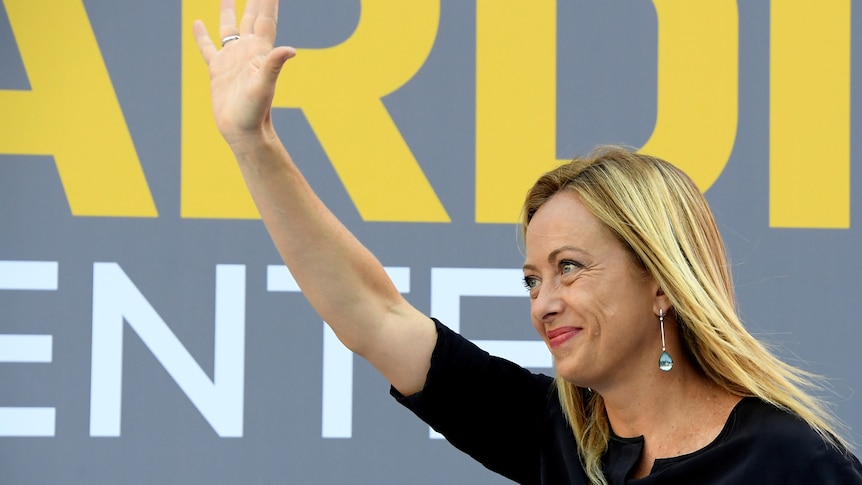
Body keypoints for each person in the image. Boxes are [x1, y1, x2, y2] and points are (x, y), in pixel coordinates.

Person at [192, 1, 862, 483]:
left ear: (661, 277)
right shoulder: (556, 437)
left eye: (569, 268)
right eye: (533, 279)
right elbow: (374, 314)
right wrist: (254, 143)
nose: (544, 302)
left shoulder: (791, 459)